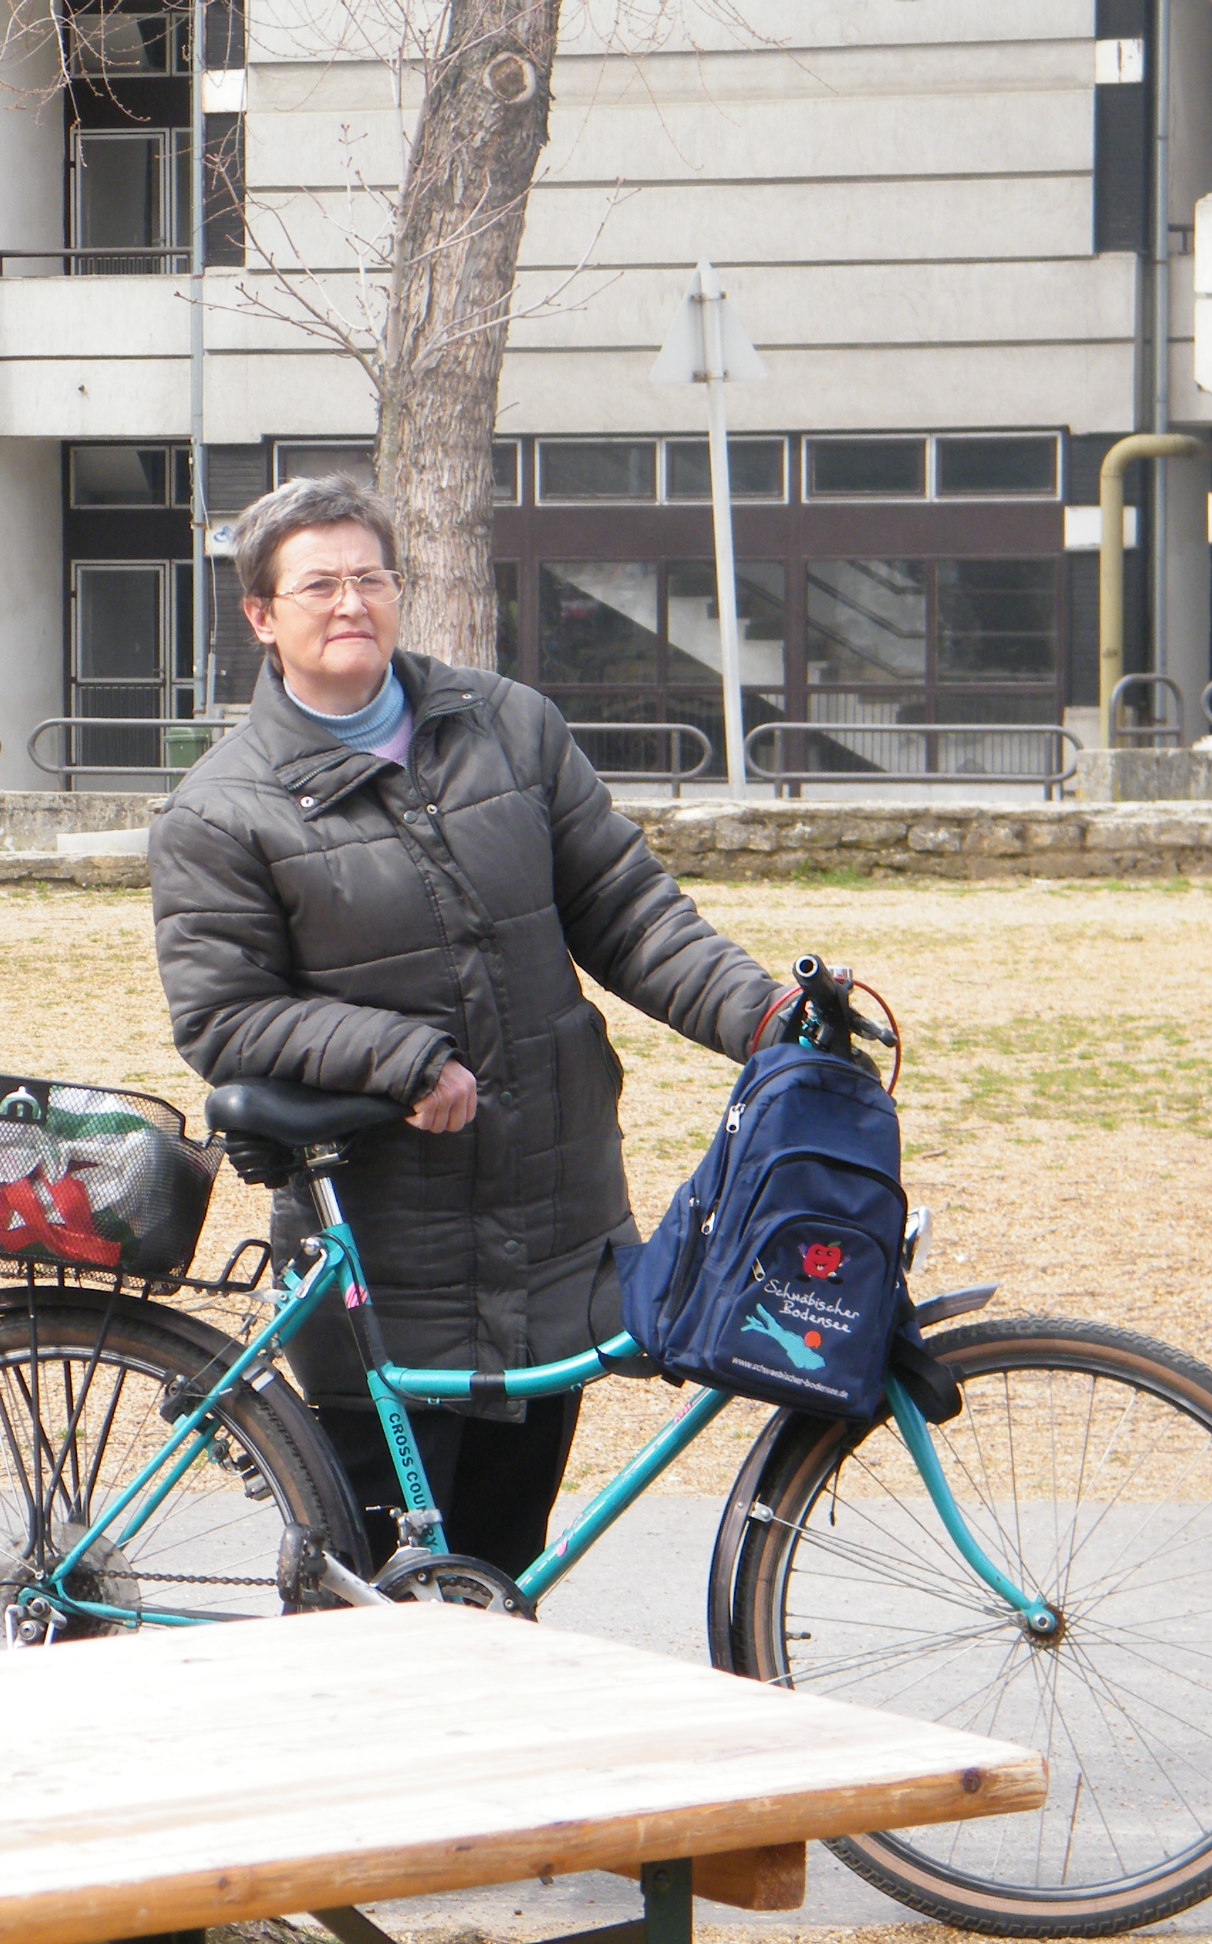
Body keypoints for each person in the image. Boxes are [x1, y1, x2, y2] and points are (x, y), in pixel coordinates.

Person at [147, 475, 783, 1579]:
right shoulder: (220, 810)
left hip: (553, 1221)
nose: (352, 603)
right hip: (389, 1251)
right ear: (260, 616)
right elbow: (225, 1014)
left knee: (502, 1569)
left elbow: (628, 913)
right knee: (376, 1586)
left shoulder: (510, 727)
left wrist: (763, 1014)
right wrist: (401, 1060)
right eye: (318, 585)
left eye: (371, 577)